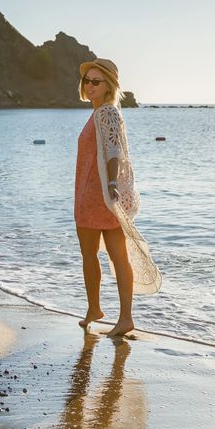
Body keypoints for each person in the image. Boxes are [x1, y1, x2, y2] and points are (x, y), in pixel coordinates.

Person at [74, 58, 161, 337]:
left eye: (96, 81)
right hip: (94, 192)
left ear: (109, 85)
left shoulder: (106, 112)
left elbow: (114, 152)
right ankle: (103, 312)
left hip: (96, 194)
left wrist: (111, 182)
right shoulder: (100, 111)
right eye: (87, 80)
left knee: (97, 255)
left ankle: (111, 314)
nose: (89, 85)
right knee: (109, 255)